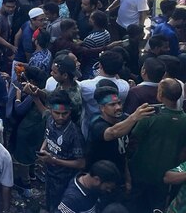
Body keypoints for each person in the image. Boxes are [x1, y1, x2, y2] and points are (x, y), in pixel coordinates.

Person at [128, 78, 186, 212]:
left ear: (160, 94)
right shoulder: (184, 120)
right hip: (165, 176)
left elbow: (134, 140)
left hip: (140, 172)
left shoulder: (149, 115)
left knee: (136, 206)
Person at [38, 90, 85, 212]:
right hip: (49, 175)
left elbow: (81, 163)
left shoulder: (74, 134)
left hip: (64, 180)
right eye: (57, 113)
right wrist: (43, 148)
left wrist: (53, 160)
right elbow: (48, 136)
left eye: (65, 113)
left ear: (70, 111)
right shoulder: (49, 119)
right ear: (50, 110)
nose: (60, 117)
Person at [56, 160, 122, 213]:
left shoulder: (92, 187)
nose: (108, 190)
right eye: (107, 187)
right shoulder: (72, 200)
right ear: (97, 180)